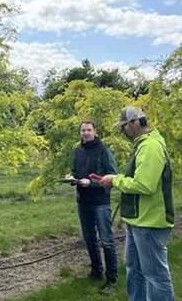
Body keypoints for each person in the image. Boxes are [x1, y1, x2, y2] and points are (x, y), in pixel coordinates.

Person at [100, 106, 175, 301]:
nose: (122, 131)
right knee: (135, 269)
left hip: (149, 222)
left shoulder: (150, 147)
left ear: (135, 122)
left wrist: (114, 180)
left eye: (123, 127)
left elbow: (144, 185)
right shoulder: (142, 144)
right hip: (137, 220)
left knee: (155, 276)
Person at [69, 120, 118, 294]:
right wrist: (72, 178)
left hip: (100, 202)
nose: (86, 133)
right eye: (83, 130)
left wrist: (91, 183)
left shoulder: (104, 151)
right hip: (83, 202)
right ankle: (96, 272)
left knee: (107, 241)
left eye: (89, 130)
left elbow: (113, 176)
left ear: (95, 132)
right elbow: (76, 170)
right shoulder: (79, 151)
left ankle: (112, 279)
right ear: (80, 132)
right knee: (90, 240)